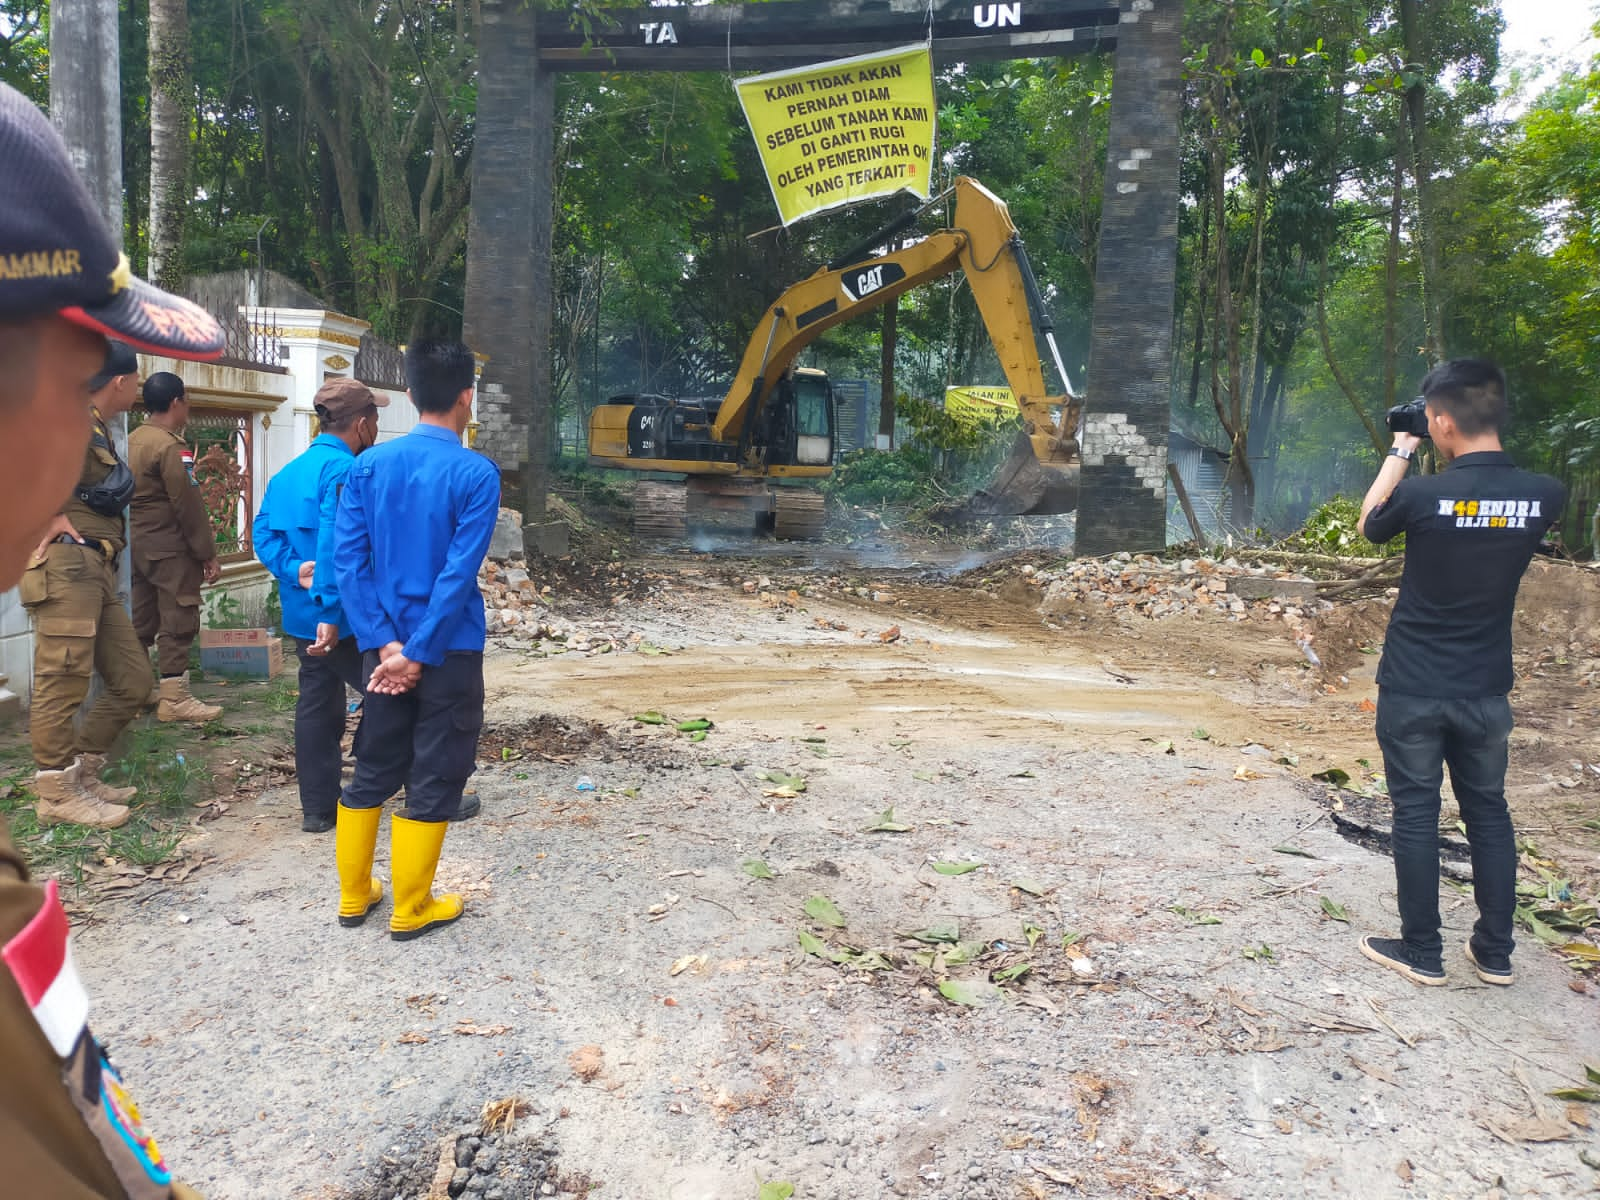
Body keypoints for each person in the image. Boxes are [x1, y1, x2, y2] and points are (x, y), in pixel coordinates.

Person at [0, 79, 222, 1199]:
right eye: (99, 384)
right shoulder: (144, 458)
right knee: (82, 669)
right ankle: (58, 772)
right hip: (115, 578)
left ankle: (73, 767)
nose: (111, 411)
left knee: (120, 676)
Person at [1357, 358, 1565, 988]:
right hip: (1484, 689)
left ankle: (1422, 951)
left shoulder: (1421, 494)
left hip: (1414, 685)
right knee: (1489, 812)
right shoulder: (1548, 494)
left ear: (1440, 421)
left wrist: (1402, 445)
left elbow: (1370, 525)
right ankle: (1494, 953)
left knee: (1416, 813)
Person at [333, 339, 499, 941]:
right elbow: (459, 572)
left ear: (407, 395)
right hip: (448, 650)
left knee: (374, 763)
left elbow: (348, 565)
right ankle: (411, 905)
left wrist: (385, 647)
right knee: (436, 768)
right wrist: (420, 652)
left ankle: (355, 896)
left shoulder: (367, 467)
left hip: (384, 654)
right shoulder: (476, 473)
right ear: (466, 397)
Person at [21, 340, 153, 829]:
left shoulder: (92, 424)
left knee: (134, 679)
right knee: (62, 680)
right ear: (120, 381)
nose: (136, 391)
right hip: (66, 566)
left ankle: (82, 771)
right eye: (135, 382)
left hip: (95, 567)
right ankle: (55, 791)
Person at [253, 378, 387, 833]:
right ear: (364, 423)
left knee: (317, 702)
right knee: (389, 691)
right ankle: (385, 787)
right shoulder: (347, 471)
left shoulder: (287, 474)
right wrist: (329, 600)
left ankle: (318, 808)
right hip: (343, 615)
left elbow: (263, 534)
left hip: (300, 612)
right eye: (376, 418)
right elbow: (338, 542)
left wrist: (294, 570)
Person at [127, 371, 222, 723]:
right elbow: (188, 504)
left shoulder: (131, 439)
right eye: (186, 401)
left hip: (136, 548)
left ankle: (136, 694)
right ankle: (175, 698)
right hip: (170, 549)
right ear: (175, 403)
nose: (188, 408)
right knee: (178, 619)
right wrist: (206, 553)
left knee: (140, 620)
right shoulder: (170, 446)